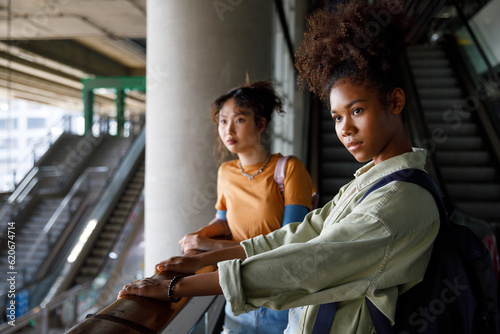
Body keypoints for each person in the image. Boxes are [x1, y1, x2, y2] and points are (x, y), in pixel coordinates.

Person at [119, 1, 440, 333]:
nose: (344, 128)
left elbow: (306, 264)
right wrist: (202, 258)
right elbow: (302, 233)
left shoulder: (396, 202)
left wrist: (177, 287)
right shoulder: (369, 184)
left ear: (396, 102)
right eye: (337, 117)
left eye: (357, 110)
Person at [178, 79, 315, 333]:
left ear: (260, 124)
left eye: (239, 120)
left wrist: (210, 247)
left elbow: (288, 241)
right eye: (223, 120)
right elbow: (222, 221)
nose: (228, 130)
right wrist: (198, 236)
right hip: (238, 295)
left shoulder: (288, 169)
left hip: (281, 300)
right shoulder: (226, 172)